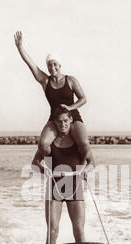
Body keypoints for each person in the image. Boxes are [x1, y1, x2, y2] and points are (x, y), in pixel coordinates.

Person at [14, 31, 94, 166]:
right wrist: (20, 47)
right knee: (43, 144)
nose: (52, 67)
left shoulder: (70, 80)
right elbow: (31, 64)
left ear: (60, 65)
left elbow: (83, 99)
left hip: (72, 116)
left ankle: (84, 164)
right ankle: (49, 164)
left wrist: (70, 107)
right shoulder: (45, 81)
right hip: (54, 117)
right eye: (49, 65)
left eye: (55, 64)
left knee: (84, 143)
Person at [31, 107, 94, 244]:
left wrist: (85, 170)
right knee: (52, 231)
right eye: (59, 122)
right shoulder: (49, 144)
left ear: (71, 120)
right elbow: (34, 163)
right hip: (54, 188)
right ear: (54, 123)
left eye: (66, 121)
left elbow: (92, 164)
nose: (63, 125)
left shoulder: (79, 142)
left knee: (79, 231)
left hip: (74, 187)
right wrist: (43, 170)